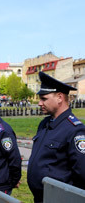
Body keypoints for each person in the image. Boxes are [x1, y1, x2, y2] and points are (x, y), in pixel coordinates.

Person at [27, 71, 85, 203]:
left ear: (59, 97)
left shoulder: (75, 130)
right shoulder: (45, 124)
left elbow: (82, 173)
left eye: (44, 98)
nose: (40, 103)